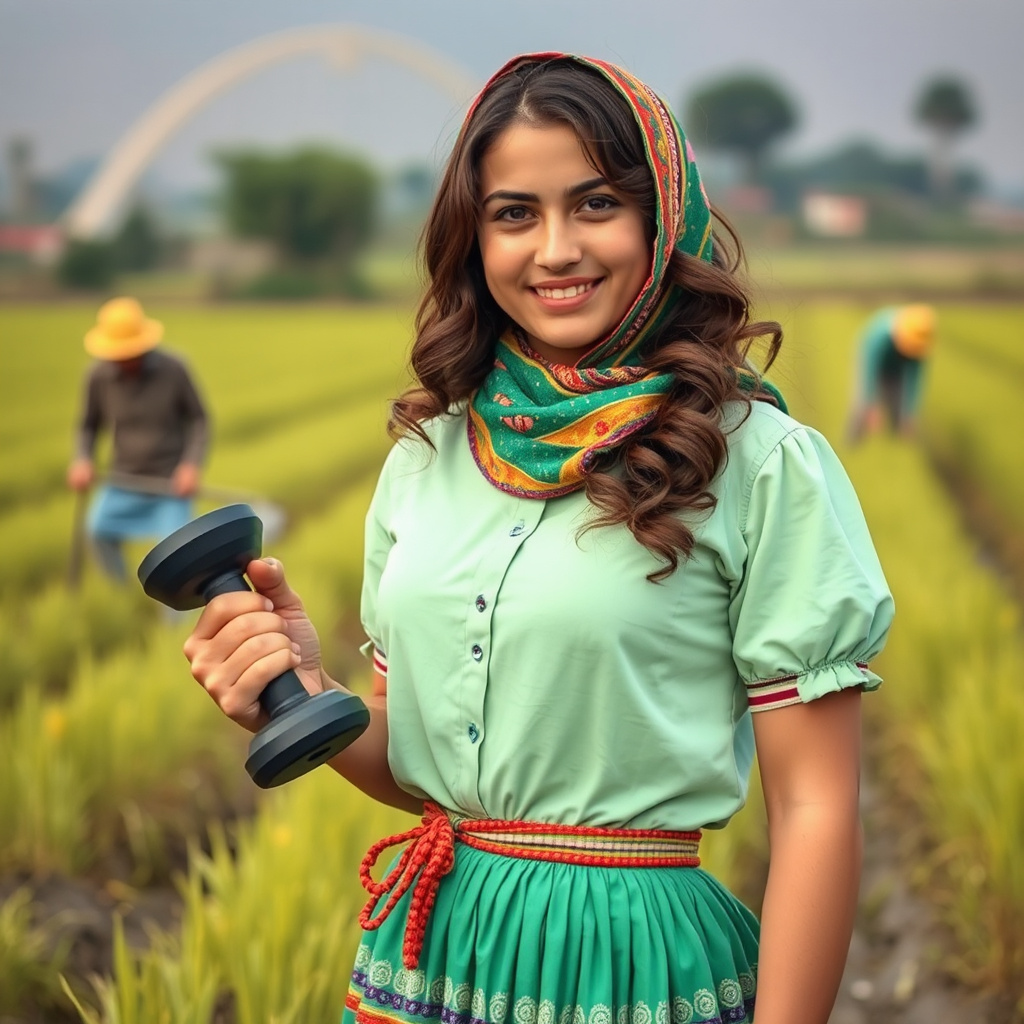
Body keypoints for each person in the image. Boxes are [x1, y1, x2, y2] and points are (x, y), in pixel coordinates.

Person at [182, 54, 894, 1024]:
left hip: (632, 967)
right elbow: (424, 770)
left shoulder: (758, 463)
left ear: (660, 217)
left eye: (594, 203)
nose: (554, 248)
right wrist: (304, 696)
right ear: (473, 240)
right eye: (514, 213)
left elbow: (813, 810)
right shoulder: (427, 457)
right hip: (434, 952)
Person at [68, 296, 208, 581]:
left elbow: (199, 420)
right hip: (123, 480)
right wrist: (82, 459)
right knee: (97, 531)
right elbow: (87, 425)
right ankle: (122, 594)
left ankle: (176, 621)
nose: (124, 359)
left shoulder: (174, 368)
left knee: (176, 557)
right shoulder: (97, 376)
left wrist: (191, 465)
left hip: (169, 484)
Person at [847, 303, 937, 441]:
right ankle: (853, 439)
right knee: (861, 405)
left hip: (896, 366)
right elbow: (869, 372)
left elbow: (914, 379)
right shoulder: (880, 336)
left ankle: (895, 439)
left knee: (897, 403)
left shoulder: (919, 345)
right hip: (872, 359)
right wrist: (871, 404)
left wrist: (909, 413)